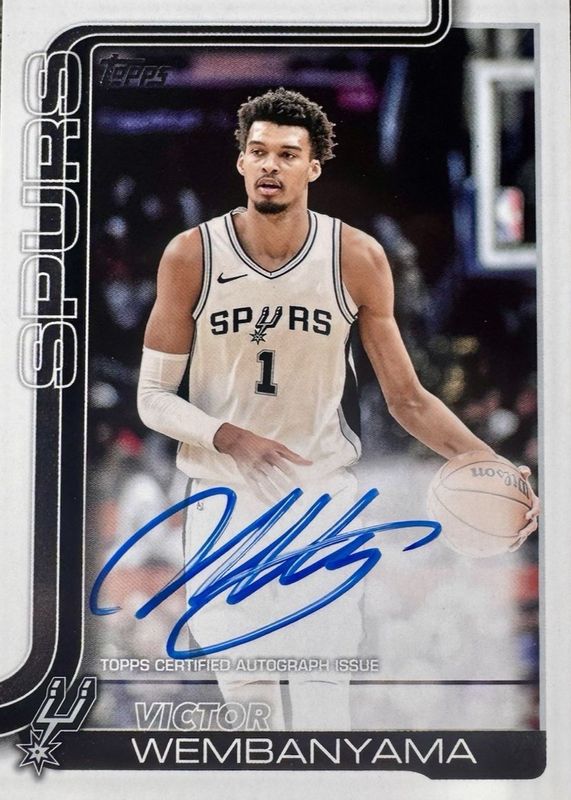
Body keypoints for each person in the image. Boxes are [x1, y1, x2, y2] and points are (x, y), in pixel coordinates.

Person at [137, 88, 539, 730]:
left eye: (287, 153)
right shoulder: (191, 255)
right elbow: (153, 399)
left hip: (321, 506)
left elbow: (408, 398)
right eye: (258, 151)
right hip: (222, 506)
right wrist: (231, 437)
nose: (270, 165)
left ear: (313, 167)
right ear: (241, 161)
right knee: (255, 720)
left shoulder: (356, 256)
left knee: (324, 717)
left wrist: (491, 463)